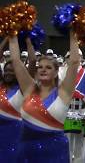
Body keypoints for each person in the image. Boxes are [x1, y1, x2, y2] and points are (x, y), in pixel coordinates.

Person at [8, 31, 80, 162]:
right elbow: (15, 60)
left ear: (56, 71)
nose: (43, 69)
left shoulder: (64, 92)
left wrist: (72, 31)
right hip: (27, 151)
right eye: (40, 67)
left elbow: (74, 62)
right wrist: (13, 31)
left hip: (55, 152)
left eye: (48, 67)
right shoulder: (29, 88)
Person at [0, 39, 24, 162]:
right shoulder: (0, 86)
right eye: (6, 70)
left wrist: (27, 41)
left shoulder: (22, 89)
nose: (8, 73)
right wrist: (7, 38)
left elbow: (33, 62)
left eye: (12, 70)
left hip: (14, 135)